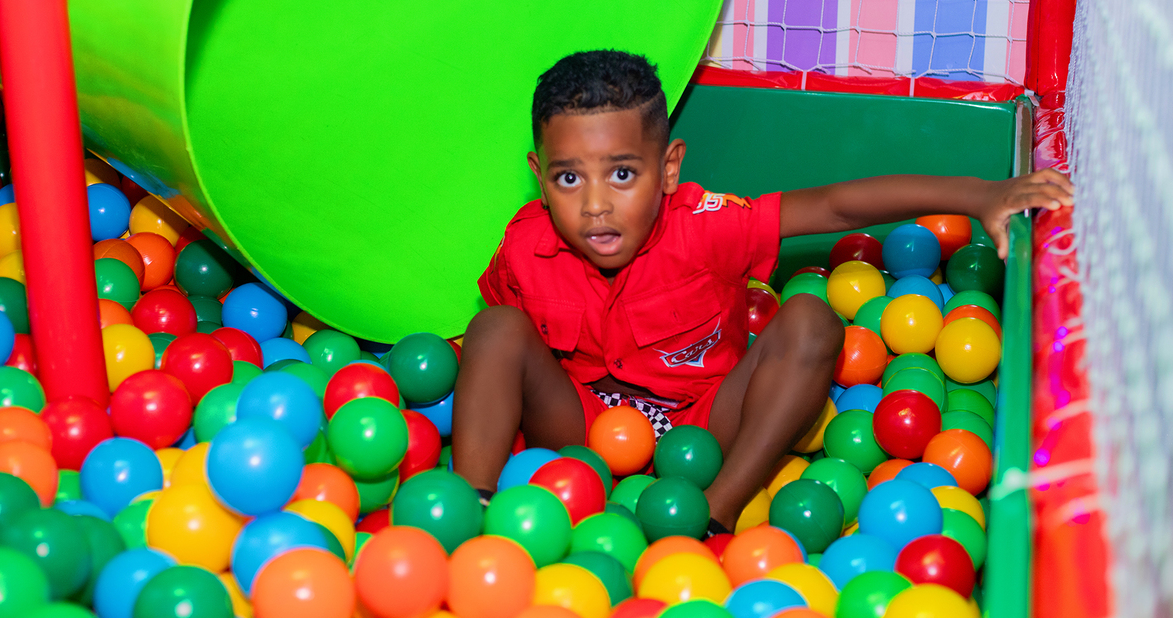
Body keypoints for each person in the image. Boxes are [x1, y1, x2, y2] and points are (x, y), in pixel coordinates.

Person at [451, 49, 1072, 531]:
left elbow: (832, 206)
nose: (594, 206)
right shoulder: (526, 246)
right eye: (568, 178)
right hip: (578, 435)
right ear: (539, 178)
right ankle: (465, 515)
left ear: (668, 169)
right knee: (496, 328)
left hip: (707, 430)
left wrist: (981, 194)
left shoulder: (708, 225)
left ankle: (715, 517)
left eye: (621, 174)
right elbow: (502, 363)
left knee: (809, 319)